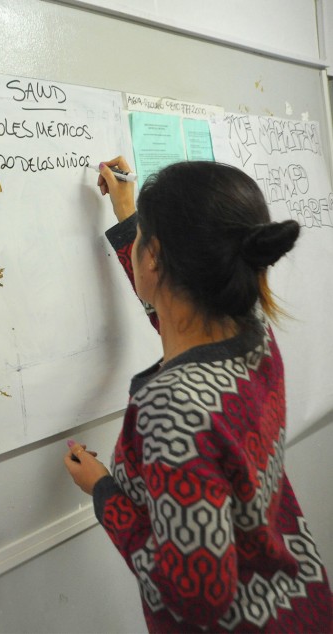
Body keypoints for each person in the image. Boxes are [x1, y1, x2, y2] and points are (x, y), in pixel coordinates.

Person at [63, 157, 333, 632]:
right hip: (301, 605)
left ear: (156, 256)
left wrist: (103, 491)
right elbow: (171, 313)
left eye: (144, 235)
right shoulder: (253, 337)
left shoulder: (173, 406)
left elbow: (197, 597)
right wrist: (130, 217)